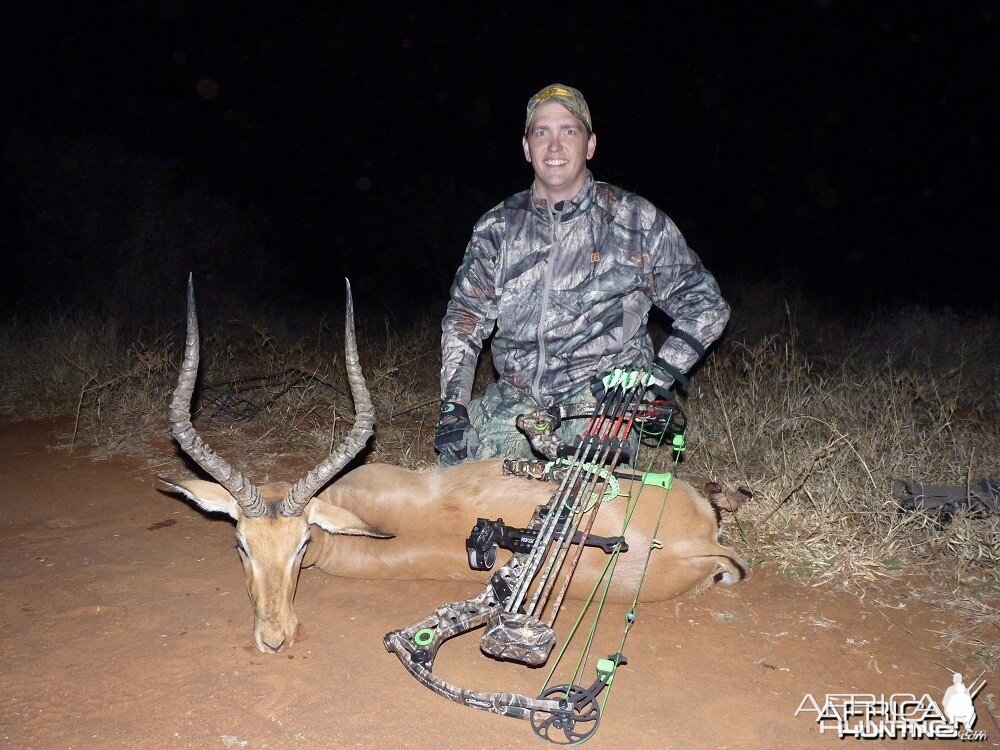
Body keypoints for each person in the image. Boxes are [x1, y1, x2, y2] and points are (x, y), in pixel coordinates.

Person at [435, 84, 730, 466]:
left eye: (569, 131)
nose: (554, 146)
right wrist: (453, 408)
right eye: (542, 132)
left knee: (577, 499)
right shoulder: (497, 226)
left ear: (590, 145)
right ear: (527, 148)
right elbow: (464, 320)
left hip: (599, 400)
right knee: (461, 482)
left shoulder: (634, 219)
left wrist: (655, 381)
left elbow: (706, 306)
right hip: (517, 398)